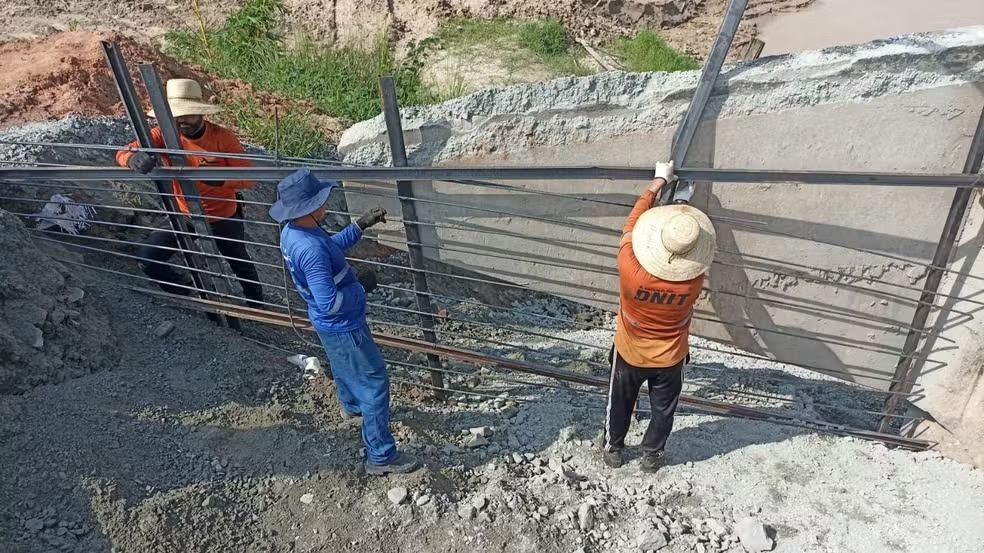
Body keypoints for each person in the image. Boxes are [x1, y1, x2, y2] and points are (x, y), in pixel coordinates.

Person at [269, 168, 421, 476]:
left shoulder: (293, 232)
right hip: (343, 323)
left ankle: (351, 408)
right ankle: (381, 455)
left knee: (341, 365)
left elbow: (329, 250)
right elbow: (330, 302)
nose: (326, 205)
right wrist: (359, 289)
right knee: (375, 381)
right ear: (310, 208)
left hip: (328, 326)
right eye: (322, 201)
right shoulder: (309, 248)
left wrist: (359, 226)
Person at [603, 161, 716, 472]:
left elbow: (631, 224)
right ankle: (652, 455)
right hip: (670, 359)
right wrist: (683, 211)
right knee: (664, 410)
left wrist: (657, 182)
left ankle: (614, 448)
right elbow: (693, 260)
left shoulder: (631, 270)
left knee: (620, 404)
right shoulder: (692, 281)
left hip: (630, 353)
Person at [115, 78, 264, 307]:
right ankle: (189, 294)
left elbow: (249, 177)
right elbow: (124, 151)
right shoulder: (163, 135)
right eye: (176, 115)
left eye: (188, 115)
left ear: (201, 113)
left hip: (223, 215)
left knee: (239, 262)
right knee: (148, 258)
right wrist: (133, 158)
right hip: (185, 215)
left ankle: (257, 305)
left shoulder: (222, 138)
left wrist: (220, 179)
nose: (182, 121)